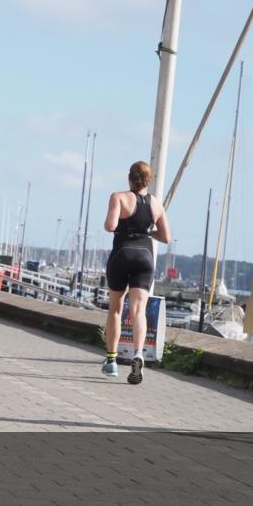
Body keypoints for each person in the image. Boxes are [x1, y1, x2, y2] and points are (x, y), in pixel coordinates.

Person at [101, 161, 170, 384]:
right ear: (148, 180)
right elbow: (166, 237)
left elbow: (110, 226)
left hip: (122, 254)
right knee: (139, 311)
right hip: (145, 257)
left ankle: (111, 361)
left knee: (116, 309)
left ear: (129, 178)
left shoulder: (118, 197)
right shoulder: (156, 204)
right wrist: (147, 231)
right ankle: (139, 353)